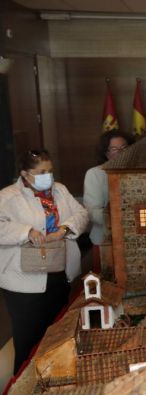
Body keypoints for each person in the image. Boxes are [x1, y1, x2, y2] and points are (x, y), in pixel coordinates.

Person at [0, 150, 89, 373]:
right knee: (29, 337)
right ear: (25, 174)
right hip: (23, 281)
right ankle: (21, 390)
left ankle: (55, 379)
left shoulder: (59, 190)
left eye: (49, 171)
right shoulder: (8, 197)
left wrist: (64, 229)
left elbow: (82, 214)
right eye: (40, 172)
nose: (47, 176)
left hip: (58, 272)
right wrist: (26, 231)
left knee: (57, 333)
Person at [83, 130, 134, 251]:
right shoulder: (95, 174)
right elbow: (92, 212)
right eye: (114, 149)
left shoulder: (139, 171)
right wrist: (124, 218)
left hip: (135, 237)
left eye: (124, 147)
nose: (121, 152)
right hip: (105, 239)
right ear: (106, 153)